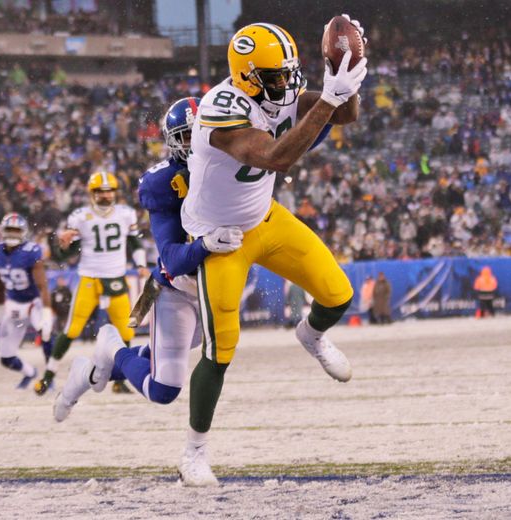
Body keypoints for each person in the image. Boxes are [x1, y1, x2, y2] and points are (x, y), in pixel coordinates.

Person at [178, 17, 368, 484]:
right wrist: (327, 97)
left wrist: (344, 76)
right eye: (276, 76)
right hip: (221, 239)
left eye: (289, 72)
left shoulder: (274, 90)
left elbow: (346, 116)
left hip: (265, 218)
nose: (286, 83)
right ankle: (193, 454)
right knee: (220, 351)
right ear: (247, 77)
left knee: (338, 295)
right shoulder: (220, 111)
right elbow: (277, 156)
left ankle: (310, 335)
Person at [52, 98, 243, 430]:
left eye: (203, 132)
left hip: (216, 289)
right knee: (164, 388)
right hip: (178, 287)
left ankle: (90, 372)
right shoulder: (163, 184)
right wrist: (207, 244)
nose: (197, 143)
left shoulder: (236, 167)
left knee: (167, 356)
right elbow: (171, 257)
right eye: (187, 136)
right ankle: (112, 342)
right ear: (171, 142)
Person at [33, 171, 148, 395]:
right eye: (101, 192)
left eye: (109, 191)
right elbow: (67, 253)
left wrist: (141, 264)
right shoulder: (80, 216)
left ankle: (119, 379)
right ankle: (48, 375)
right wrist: (63, 245)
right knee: (72, 329)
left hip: (116, 277)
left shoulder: (126, 214)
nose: (106, 196)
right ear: (92, 193)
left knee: (126, 332)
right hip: (89, 277)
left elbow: (134, 242)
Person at [0, 212, 55, 388]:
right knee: (6, 358)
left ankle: (49, 376)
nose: (12, 234)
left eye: (16, 230)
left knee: (46, 333)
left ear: (23, 232)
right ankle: (30, 372)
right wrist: (1, 307)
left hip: (33, 302)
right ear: (2, 231)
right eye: (9, 230)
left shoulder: (30, 251)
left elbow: (42, 286)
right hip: (13, 305)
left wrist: (47, 313)